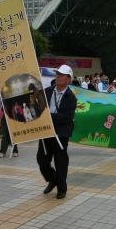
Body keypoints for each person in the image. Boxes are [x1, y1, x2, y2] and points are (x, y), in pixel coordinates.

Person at [38, 65, 77, 199]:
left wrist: (50, 116)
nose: (58, 76)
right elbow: (39, 108)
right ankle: (52, 179)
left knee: (60, 161)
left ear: (68, 79)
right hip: (46, 131)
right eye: (57, 74)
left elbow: (67, 117)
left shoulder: (71, 97)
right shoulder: (47, 91)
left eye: (62, 74)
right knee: (42, 160)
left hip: (61, 133)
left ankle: (61, 188)